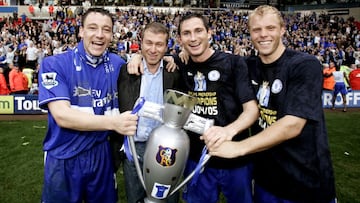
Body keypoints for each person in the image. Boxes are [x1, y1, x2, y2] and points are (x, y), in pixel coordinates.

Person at [204, 5, 336, 203]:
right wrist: (165, 57)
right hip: (267, 182)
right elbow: (206, 60)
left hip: (306, 182)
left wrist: (239, 147)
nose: (263, 34)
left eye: (270, 28)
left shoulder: (305, 64)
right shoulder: (247, 66)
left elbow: (292, 125)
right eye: (257, 29)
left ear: (282, 29)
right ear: (249, 33)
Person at [128, 13, 259, 203]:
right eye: (187, 33)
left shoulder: (234, 63)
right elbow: (153, 54)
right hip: (195, 159)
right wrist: (137, 56)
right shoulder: (179, 64)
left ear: (209, 33)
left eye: (198, 31)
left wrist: (228, 131)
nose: (193, 38)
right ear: (180, 40)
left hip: (234, 159)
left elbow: (251, 110)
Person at [38, 8, 138, 203]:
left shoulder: (118, 64)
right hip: (63, 156)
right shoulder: (54, 64)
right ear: (81, 31)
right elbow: (62, 116)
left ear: (112, 35)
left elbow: (150, 66)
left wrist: (140, 57)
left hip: (101, 154)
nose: (100, 35)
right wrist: (114, 123)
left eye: (106, 29)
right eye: (93, 28)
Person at [116, 22, 182, 203]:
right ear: (141, 43)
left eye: (159, 44)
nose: (153, 49)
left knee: (167, 197)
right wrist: (136, 57)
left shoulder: (174, 72)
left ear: (167, 47)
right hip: (134, 147)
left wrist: (174, 59)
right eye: (149, 43)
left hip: (165, 147)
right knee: (135, 198)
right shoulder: (126, 70)